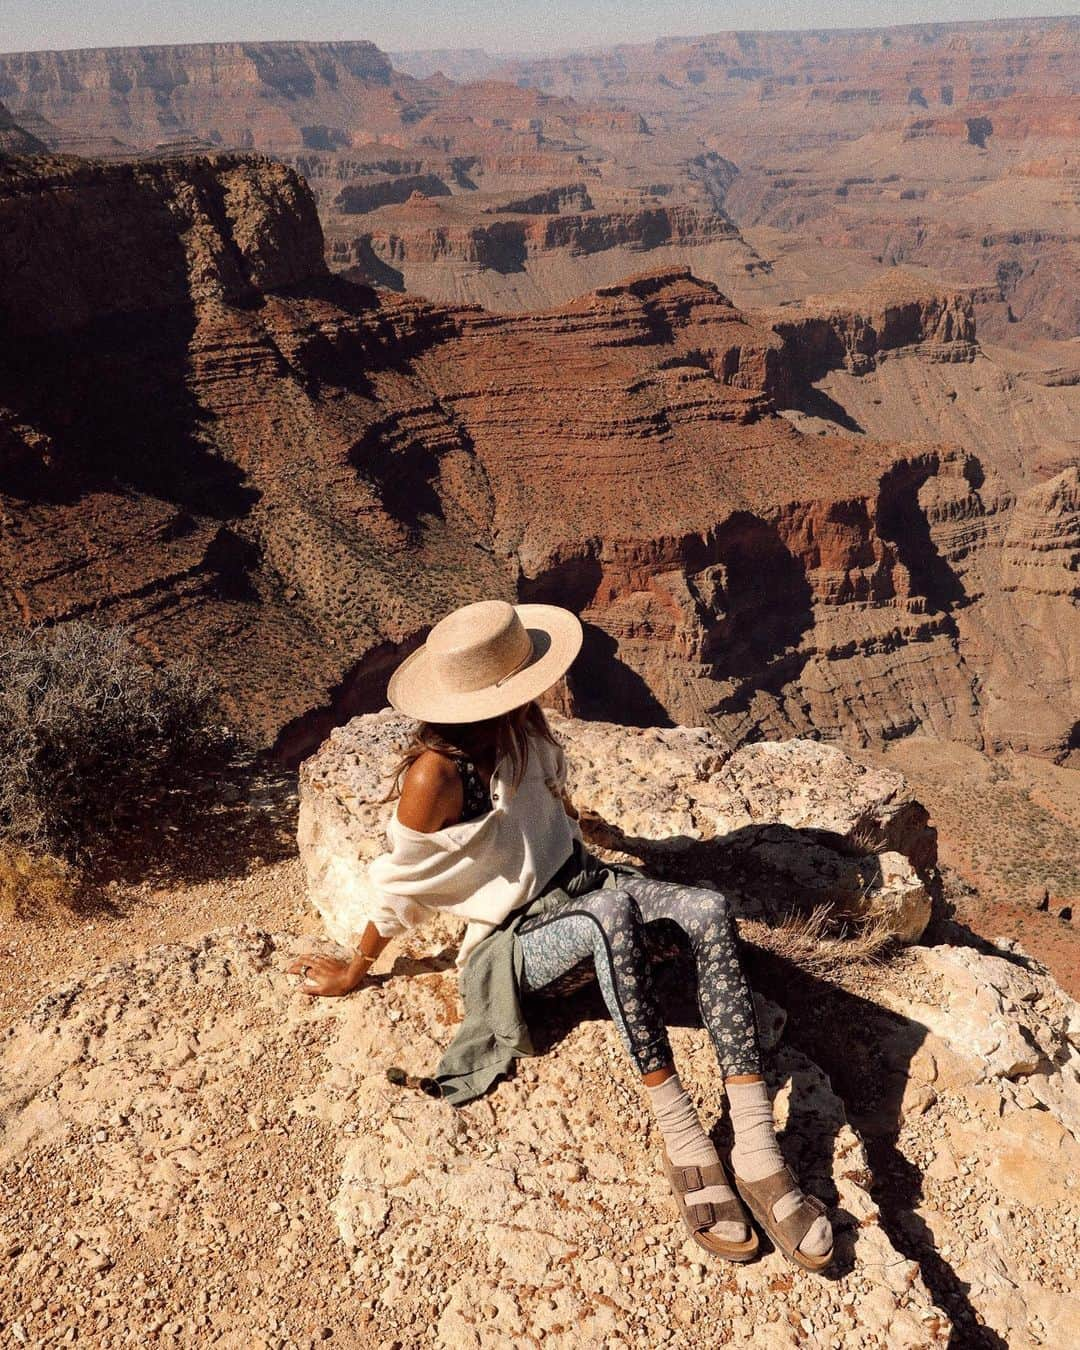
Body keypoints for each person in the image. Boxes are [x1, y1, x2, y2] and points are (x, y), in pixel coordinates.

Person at [288, 599, 833, 1270]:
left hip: (585, 886)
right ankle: (685, 1138)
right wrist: (355, 967)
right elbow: (405, 886)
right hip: (520, 944)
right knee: (613, 920)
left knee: (708, 911)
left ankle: (755, 1147)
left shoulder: (521, 727)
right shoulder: (435, 777)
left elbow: (548, 807)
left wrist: (585, 838)